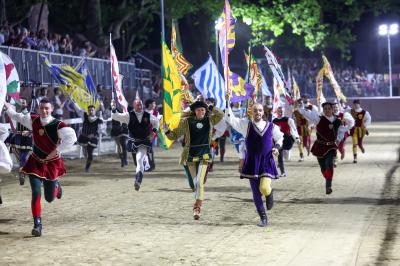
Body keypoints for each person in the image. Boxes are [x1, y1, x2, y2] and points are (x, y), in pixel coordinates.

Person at [3, 99, 77, 237]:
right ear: (38, 109)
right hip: (35, 162)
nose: (44, 111)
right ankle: (37, 224)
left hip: (51, 163)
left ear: (52, 108)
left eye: (47, 108)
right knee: (35, 192)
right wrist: (5, 104)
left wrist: (58, 150)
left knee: (49, 198)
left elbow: (72, 138)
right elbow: (15, 115)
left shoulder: (58, 125)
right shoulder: (33, 120)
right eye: (42, 108)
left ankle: (56, 186)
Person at [225, 103, 283, 227]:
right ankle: (263, 218)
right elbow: (231, 120)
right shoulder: (246, 125)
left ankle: (269, 193)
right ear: (251, 112)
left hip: (266, 161)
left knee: (264, 188)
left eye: (260, 110)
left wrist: (277, 148)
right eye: (255, 110)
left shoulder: (271, 126)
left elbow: (280, 138)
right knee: (256, 193)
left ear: (263, 112)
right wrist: (227, 102)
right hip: (252, 162)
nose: (258, 113)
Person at [164, 101, 224, 220]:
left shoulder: (210, 120)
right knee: (194, 185)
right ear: (194, 111)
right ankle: (198, 191)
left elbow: (220, 114)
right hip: (190, 155)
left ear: (205, 111)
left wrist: (210, 106)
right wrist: (166, 130)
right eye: (198, 110)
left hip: (204, 155)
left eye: (203, 110)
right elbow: (174, 136)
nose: (201, 112)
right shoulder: (186, 122)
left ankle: (197, 208)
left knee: (198, 182)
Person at [295, 100, 347, 195]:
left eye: (329, 109)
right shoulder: (318, 119)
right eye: (325, 109)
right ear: (323, 110)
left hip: (331, 147)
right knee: (323, 169)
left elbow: (341, 131)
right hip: (319, 146)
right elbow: (307, 114)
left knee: (329, 165)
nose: (327, 110)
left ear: (332, 110)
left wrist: (339, 139)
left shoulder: (338, 121)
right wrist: (299, 107)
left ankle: (328, 186)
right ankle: (327, 177)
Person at [111, 98, 159, 191]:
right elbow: (115, 116)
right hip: (133, 142)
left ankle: (138, 181)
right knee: (137, 163)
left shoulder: (147, 115)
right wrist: (113, 107)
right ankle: (139, 175)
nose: (140, 106)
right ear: (134, 106)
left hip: (144, 141)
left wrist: (153, 132)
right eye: (138, 105)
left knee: (139, 159)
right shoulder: (128, 115)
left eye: (141, 105)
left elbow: (157, 122)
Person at [5, 98, 32, 185]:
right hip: (18, 138)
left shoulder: (29, 115)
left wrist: (30, 132)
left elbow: (35, 127)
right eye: (20, 102)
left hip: (26, 139)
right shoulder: (16, 114)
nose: (21, 103)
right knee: (21, 158)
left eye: (23, 102)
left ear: (26, 104)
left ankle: (22, 173)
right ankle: (23, 171)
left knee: (23, 158)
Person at [273, 106, 300, 177]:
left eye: (281, 111)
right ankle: (283, 172)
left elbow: (294, 129)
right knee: (279, 155)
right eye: (279, 111)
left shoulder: (288, 119)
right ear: (277, 112)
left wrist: (297, 138)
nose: (280, 112)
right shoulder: (274, 121)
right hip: (279, 139)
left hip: (288, 139)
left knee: (287, 157)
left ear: (283, 112)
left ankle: (287, 152)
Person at [77, 105, 103, 172]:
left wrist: (94, 134)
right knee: (85, 152)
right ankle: (87, 161)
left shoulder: (98, 120)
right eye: (89, 110)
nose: (91, 111)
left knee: (90, 153)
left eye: (92, 110)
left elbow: (100, 130)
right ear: (88, 111)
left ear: (95, 111)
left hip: (92, 139)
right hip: (84, 137)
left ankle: (87, 167)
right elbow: (77, 109)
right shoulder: (85, 116)